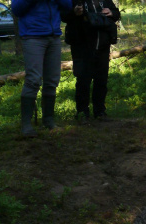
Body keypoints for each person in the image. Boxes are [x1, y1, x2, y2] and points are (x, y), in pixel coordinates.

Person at [11, 0, 72, 137]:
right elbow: (16, 9)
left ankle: (49, 120)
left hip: (54, 36)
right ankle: (26, 125)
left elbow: (68, 5)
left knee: (52, 80)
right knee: (33, 80)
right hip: (32, 36)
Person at [62, 0, 120, 122]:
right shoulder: (75, 1)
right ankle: (82, 113)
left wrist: (111, 13)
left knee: (101, 79)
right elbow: (64, 16)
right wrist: (75, 13)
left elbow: (116, 14)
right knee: (83, 80)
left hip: (103, 46)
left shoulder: (104, 1)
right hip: (82, 47)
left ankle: (100, 111)